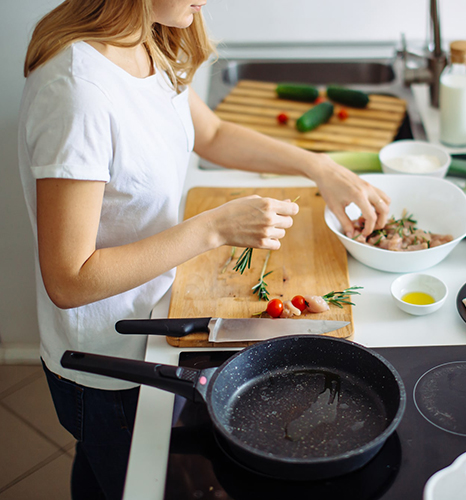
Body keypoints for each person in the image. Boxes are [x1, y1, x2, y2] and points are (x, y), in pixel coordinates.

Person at [18, 1, 391, 498]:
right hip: (108, 361)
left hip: (156, 321)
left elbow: (211, 133)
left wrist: (321, 167)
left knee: (98, 479)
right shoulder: (77, 92)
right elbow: (68, 279)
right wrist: (212, 229)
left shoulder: (151, 39)